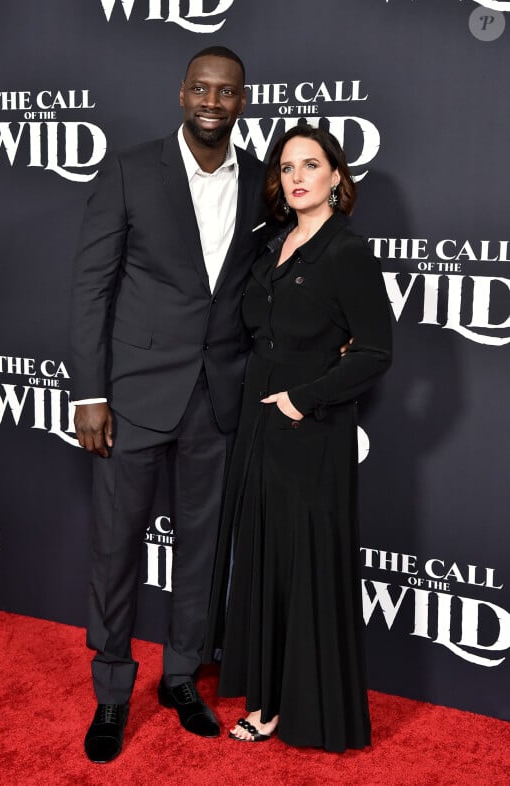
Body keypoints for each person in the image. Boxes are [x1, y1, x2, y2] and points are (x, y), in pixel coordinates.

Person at [69, 46, 267, 763]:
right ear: (182, 94)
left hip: (218, 395)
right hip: (134, 396)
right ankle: (113, 690)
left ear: (243, 100)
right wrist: (90, 392)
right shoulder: (129, 168)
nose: (214, 101)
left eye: (229, 91)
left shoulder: (261, 182)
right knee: (115, 548)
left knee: (203, 551)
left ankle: (182, 675)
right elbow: (92, 286)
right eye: (202, 88)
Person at [203, 125, 392, 751]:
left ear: (337, 176)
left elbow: (374, 352)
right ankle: (267, 698)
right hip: (258, 426)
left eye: (312, 164)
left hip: (311, 430)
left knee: (305, 566)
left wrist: (303, 399)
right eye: (287, 168)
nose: (298, 176)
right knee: (262, 562)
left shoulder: (347, 252)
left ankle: (308, 710)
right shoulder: (271, 244)